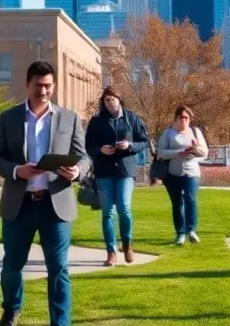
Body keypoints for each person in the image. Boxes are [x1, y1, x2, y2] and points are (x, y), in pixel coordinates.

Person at [0, 60, 90, 326]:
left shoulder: (69, 118)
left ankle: (60, 322)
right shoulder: (9, 118)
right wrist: (16, 171)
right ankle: (11, 309)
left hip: (55, 205)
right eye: (38, 86)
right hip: (19, 205)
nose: (43, 91)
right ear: (27, 84)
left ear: (53, 86)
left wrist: (78, 171)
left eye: (48, 86)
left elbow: (85, 158)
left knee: (58, 269)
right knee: (11, 268)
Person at [83, 86, 149, 266]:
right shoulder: (96, 121)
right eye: (106, 99)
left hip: (125, 171)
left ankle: (127, 244)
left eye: (112, 98)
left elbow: (144, 141)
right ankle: (111, 251)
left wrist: (129, 146)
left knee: (124, 208)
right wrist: (100, 149)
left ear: (119, 99)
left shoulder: (132, 118)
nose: (109, 102)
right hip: (104, 171)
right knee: (107, 212)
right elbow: (88, 145)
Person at [155, 105, 208, 246]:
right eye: (181, 117)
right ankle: (180, 233)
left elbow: (205, 153)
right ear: (176, 119)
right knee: (177, 203)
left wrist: (194, 148)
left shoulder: (196, 132)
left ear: (190, 120)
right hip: (172, 173)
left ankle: (191, 230)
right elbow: (160, 152)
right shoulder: (168, 133)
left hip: (191, 172)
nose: (184, 120)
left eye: (186, 118)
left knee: (190, 198)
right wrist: (177, 153)